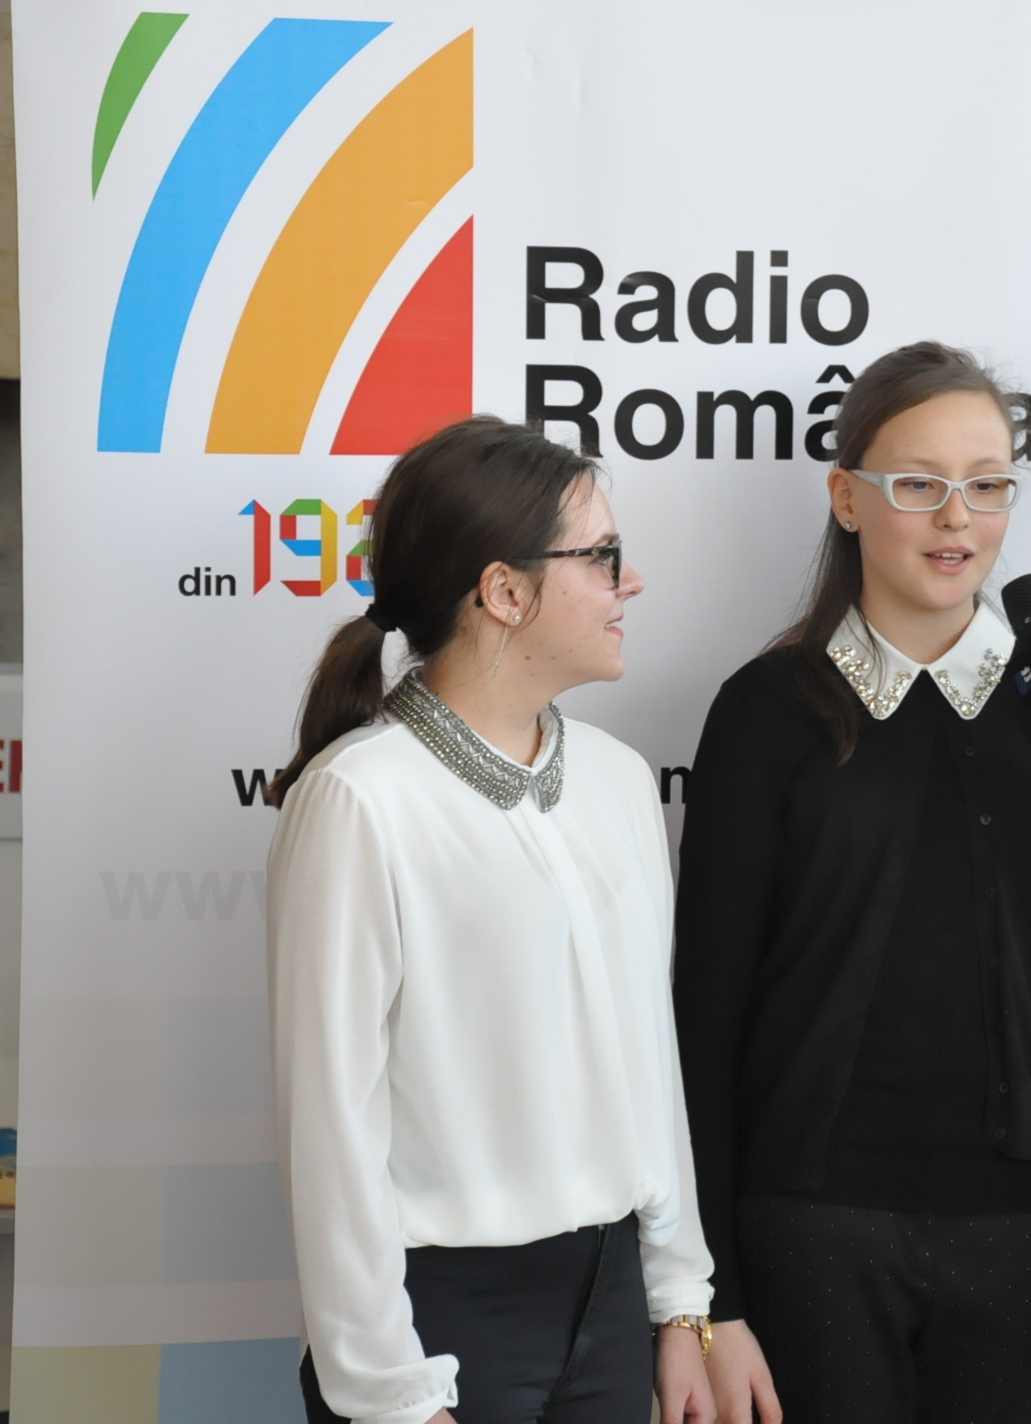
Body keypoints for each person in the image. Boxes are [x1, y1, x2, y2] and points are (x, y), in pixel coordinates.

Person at [672, 341, 1031, 1424]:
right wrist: (711, 1301)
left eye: (988, 485)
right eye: (919, 485)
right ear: (846, 496)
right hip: (808, 1231)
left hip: (1018, 1236)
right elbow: (705, 1017)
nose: (956, 519)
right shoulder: (765, 711)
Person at [266, 417, 717, 1424]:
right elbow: (329, 1122)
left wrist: (678, 1299)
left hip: (611, 1306)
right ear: (504, 591)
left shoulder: (619, 780)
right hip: (440, 1315)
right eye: (601, 557)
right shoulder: (358, 798)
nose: (631, 582)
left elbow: (648, 1057)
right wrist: (389, 1389)